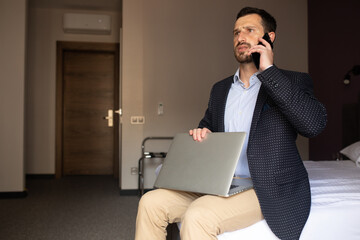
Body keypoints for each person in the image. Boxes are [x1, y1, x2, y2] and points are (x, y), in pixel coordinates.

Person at [135, 6, 327, 240]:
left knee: (199, 215)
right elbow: (208, 126)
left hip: (265, 187)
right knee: (150, 202)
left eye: (249, 30)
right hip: (219, 182)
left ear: (269, 37)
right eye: (236, 32)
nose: (240, 37)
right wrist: (202, 133)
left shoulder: (292, 81)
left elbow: (314, 125)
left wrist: (269, 71)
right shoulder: (220, 89)